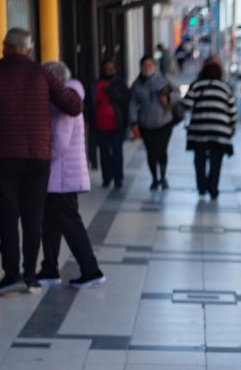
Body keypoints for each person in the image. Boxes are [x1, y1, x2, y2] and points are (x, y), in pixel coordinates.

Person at [0, 28, 83, 296]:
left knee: (7, 216)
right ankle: (31, 276)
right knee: (34, 216)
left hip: (3, 157)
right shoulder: (42, 74)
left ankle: (11, 274)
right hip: (37, 157)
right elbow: (74, 106)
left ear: (4, 47)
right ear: (29, 51)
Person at [37, 61, 105, 289]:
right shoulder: (64, 99)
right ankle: (49, 269)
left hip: (62, 175)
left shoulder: (65, 101)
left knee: (69, 223)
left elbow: (59, 142)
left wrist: (42, 158)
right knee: (51, 223)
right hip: (59, 175)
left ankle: (91, 269)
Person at [181, 60, 237, 200]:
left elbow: (186, 104)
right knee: (216, 161)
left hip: (200, 130)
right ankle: (213, 188)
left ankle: (201, 187)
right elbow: (232, 111)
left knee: (199, 159)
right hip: (220, 131)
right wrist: (231, 127)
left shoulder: (197, 85)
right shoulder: (225, 88)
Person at [129, 55, 178, 190]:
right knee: (151, 152)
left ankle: (163, 176)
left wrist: (168, 98)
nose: (147, 68)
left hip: (164, 122)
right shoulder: (136, 84)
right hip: (146, 124)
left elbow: (177, 93)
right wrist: (133, 122)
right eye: (144, 66)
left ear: (155, 66)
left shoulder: (164, 80)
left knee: (161, 150)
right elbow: (132, 104)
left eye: (150, 65)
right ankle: (154, 178)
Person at [93, 58, 130, 189]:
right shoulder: (97, 84)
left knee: (117, 151)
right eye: (106, 69)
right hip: (101, 123)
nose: (108, 71)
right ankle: (106, 177)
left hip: (116, 123)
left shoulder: (120, 83)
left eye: (111, 69)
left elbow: (125, 101)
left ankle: (118, 177)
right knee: (103, 152)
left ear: (115, 70)